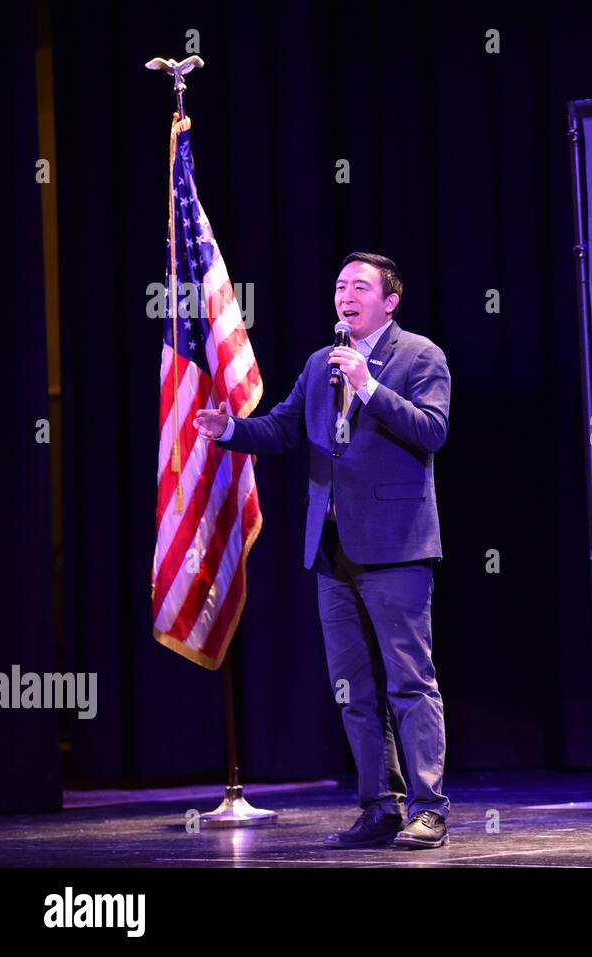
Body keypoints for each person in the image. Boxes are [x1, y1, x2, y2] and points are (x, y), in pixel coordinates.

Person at [194, 252, 452, 850]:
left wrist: (370, 385)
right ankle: (379, 808)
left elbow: (432, 430)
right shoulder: (320, 364)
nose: (346, 295)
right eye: (340, 286)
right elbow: (284, 429)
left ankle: (429, 807)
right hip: (331, 551)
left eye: (360, 286)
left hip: (396, 548)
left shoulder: (420, 356)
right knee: (354, 690)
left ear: (390, 301)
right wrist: (228, 429)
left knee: (410, 683)